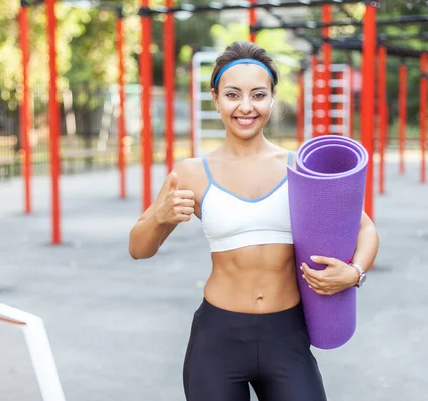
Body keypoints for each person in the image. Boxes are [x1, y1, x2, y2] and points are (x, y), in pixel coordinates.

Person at [128, 41, 379, 401]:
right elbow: (138, 248)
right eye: (233, 95)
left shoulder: (299, 168)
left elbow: (365, 228)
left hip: (286, 334)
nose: (246, 107)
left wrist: (354, 273)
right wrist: (160, 216)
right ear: (216, 98)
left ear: (272, 98)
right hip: (218, 340)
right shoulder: (192, 173)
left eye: (258, 95)